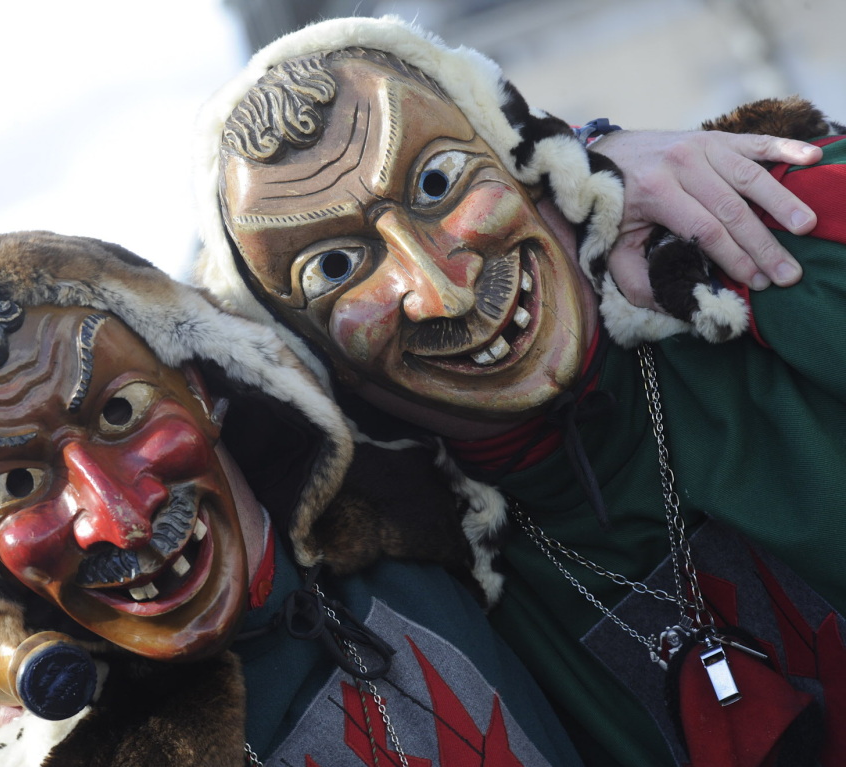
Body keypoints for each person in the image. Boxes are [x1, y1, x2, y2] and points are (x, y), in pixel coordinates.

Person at [192, 15, 846, 767]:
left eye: (438, 182)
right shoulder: (420, 585)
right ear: (308, 358)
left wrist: (593, 154)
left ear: (528, 168)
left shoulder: (775, 258)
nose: (439, 291)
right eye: (336, 267)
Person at [0, 231, 589, 766]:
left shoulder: (423, 494)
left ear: (204, 386)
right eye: (17, 483)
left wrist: (600, 162)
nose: (120, 518)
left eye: (120, 414)